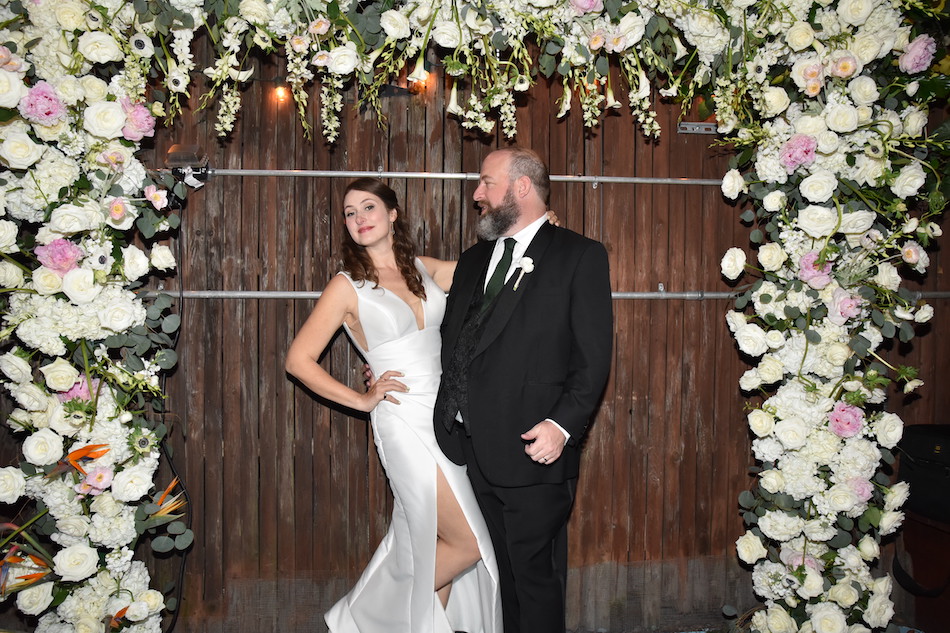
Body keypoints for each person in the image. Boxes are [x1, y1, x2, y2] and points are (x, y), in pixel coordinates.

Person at [285, 177, 502, 633]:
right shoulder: (347, 286)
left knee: (428, 539)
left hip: (444, 415)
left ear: (392, 215)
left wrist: (537, 229)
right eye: (349, 213)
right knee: (465, 543)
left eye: (368, 208)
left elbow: (491, 267)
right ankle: (364, 616)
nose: (359, 219)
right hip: (402, 420)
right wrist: (362, 400)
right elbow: (298, 361)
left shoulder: (424, 269)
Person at [434, 147, 613, 633]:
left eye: (487, 183)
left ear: (522, 187)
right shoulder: (473, 262)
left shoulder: (578, 255)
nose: (477, 194)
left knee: (535, 578)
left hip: (536, 449)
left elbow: (593, 357)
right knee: (504, 579)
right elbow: (453, 341)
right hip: (470, 449)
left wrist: (562, 425)